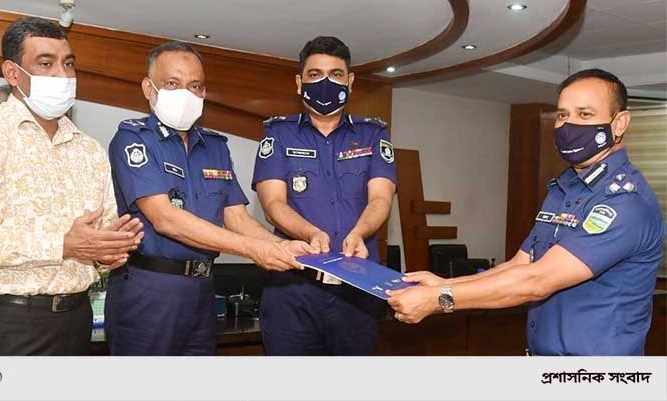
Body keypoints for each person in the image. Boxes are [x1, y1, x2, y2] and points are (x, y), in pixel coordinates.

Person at [387, 69, 665, 356]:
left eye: (584, 114)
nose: (568, 125)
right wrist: (446, 283)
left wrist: (440, 299)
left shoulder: (624, 202)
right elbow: (521, 265)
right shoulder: (564, 188)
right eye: (562, 115)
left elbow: (537, 281)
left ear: (619, 123)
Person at [0, 16, 144, 356]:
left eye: (68, 64)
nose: (62, 75)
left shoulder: (89, 149)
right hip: (12, 322)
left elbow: (99, 239)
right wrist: (63, 244)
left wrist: (110, 250)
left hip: (78, 318)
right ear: (12, 73)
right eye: (46, 64)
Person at [106, 41, 313, 355]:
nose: (185, 93)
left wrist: (281, 246)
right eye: (172, 83)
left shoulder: (215, 146)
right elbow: (164, 218)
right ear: (149, 88)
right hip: (150, 288)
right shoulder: (133, 139)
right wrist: (252, 249)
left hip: (203, 291)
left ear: (203, 92)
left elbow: (236, 217)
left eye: (194, 86)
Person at [251, 36, 397, 355]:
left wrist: (359, 232)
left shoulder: (373, 134)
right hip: (293, 286)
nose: (326, 83)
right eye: (315, 74)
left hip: (357, 286)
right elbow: (273, 204)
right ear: (299, 82)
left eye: (336, 74)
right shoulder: (278, 133)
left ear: (350, 81)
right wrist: (310, 233)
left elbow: (381, 199)